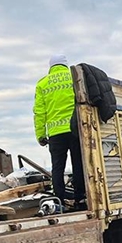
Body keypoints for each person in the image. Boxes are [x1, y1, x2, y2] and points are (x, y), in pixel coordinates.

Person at [33, 54, 85, 207]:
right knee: (78, 164)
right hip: (75, 130)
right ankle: (80, 198)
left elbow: (39, 113)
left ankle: (59, 200)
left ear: (51, 66)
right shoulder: (74, 77)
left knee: (57, 167)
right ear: (65, 64)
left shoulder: (42, 84)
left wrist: (41, 135)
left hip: (55, 134)